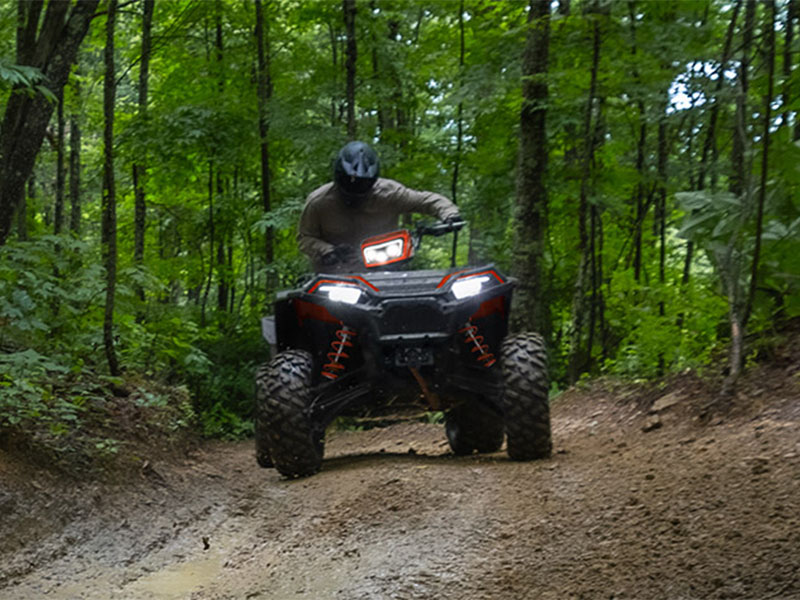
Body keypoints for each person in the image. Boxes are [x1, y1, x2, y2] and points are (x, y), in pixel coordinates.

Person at [297, 141, 461, 272]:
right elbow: (305, 237)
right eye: (350, 185)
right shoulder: (319, 202)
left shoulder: (389, 194)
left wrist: (449, 214)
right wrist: (327, 251)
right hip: (334, 274)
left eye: (364, 186)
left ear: (373, 182)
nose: (356, 191)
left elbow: (425, 200)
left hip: (383, 269)